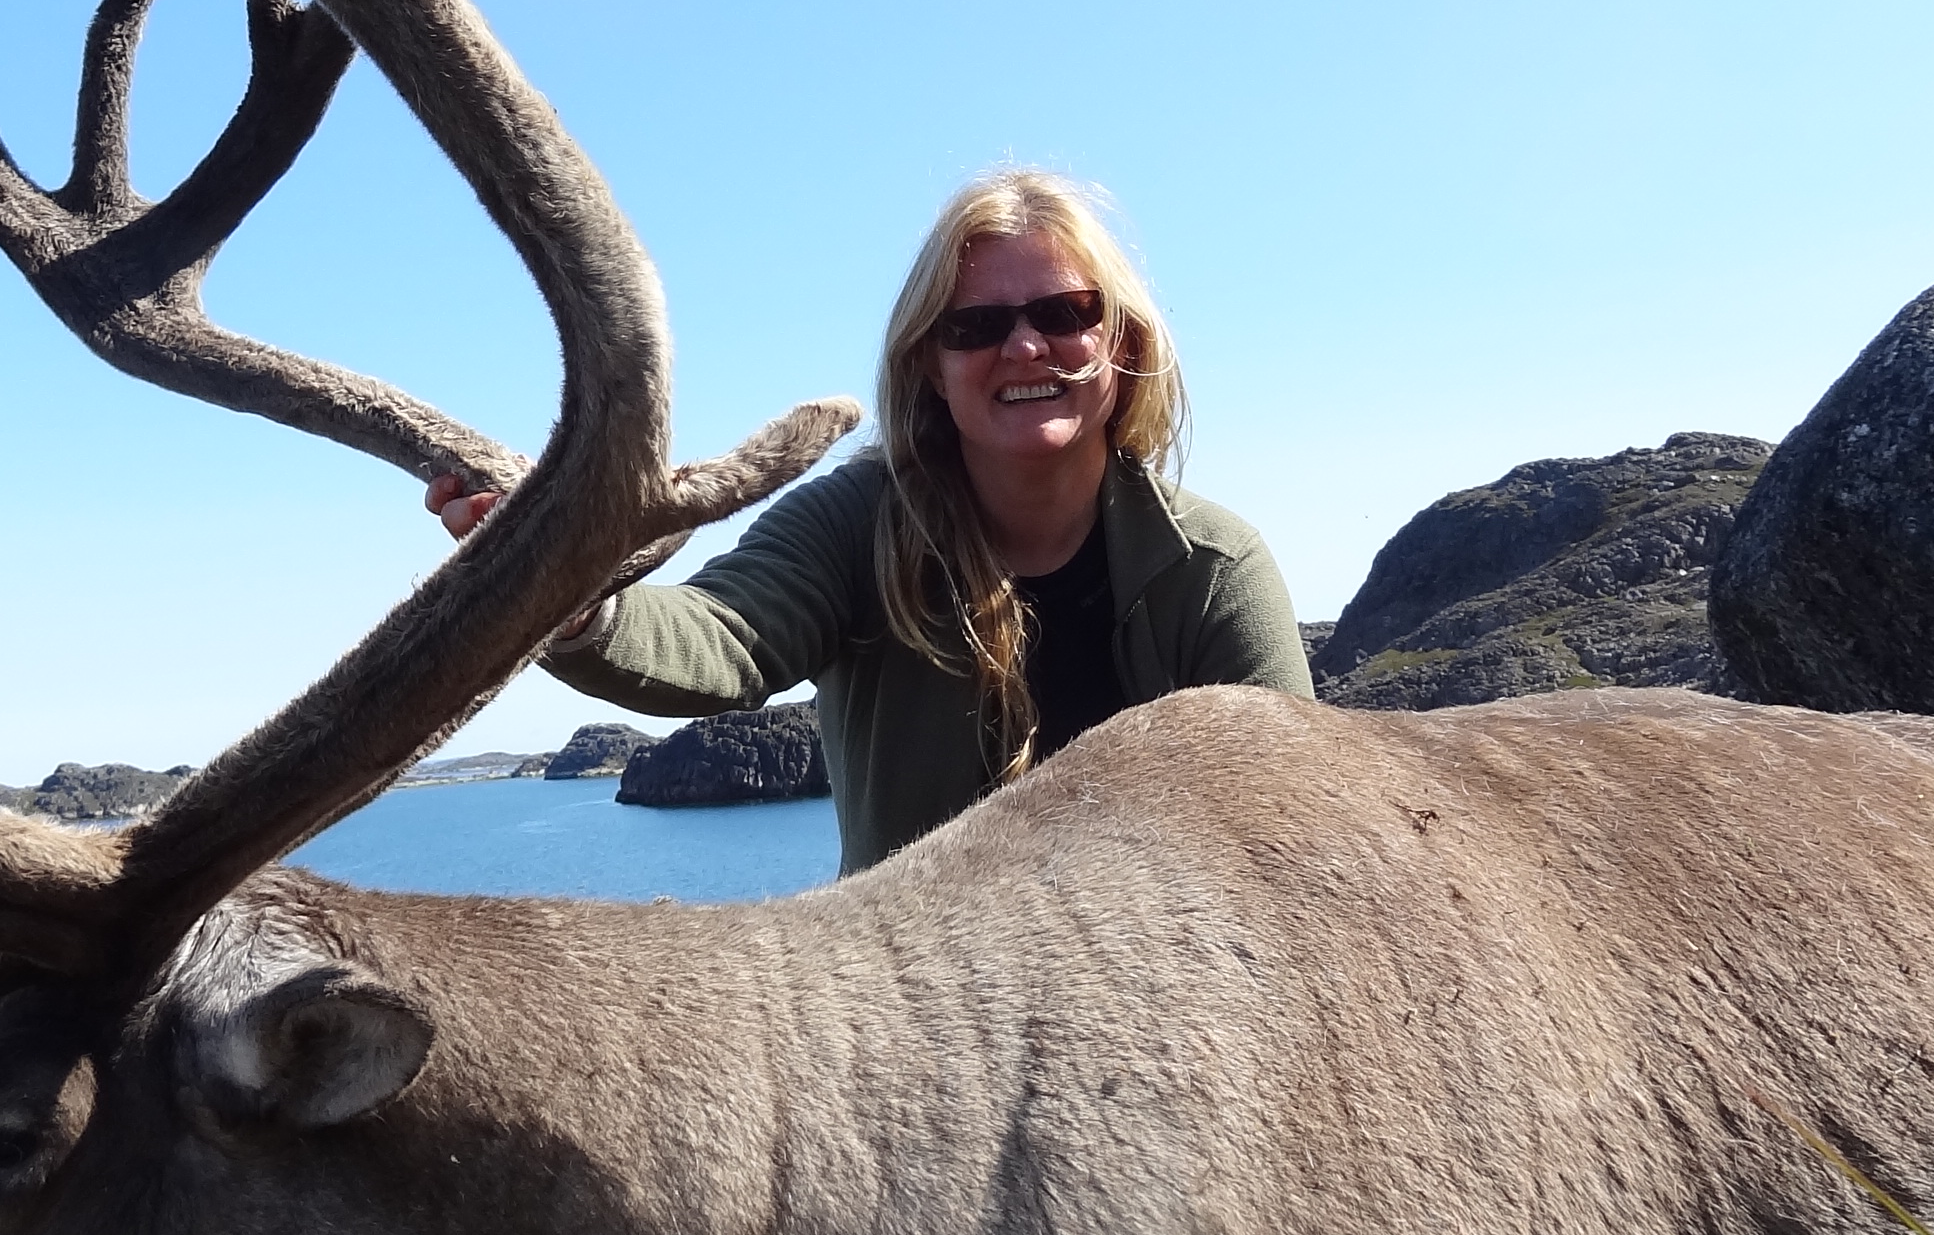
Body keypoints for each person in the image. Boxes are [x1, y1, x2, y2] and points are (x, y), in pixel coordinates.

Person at [427, 170, 1311, 873]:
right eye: (976, 325)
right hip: (921, 1026)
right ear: (931, 363)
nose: (1025, 346)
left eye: (1062, 313)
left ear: (1122, 344)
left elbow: (1304, 821)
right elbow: (724, 633)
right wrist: (573, 596)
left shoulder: (1212, 569)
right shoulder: (859, 523)